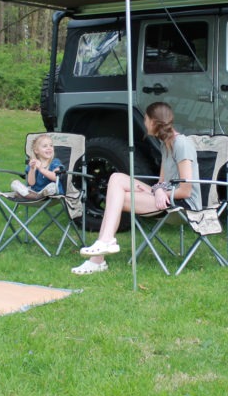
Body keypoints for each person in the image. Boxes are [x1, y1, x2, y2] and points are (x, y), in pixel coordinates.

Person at [72, 102, 200, 275]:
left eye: (146, 119)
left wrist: (162, 192)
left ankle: (98, 258)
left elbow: (186, 190)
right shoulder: (166, 144)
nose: (145, 123)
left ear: (154, 122)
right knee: (116, 178)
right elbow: (162, 182)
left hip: (182, 204)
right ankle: (105, 243)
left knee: (119, 198)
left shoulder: (181, 144)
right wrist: (159, 190)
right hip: (165, 196)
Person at [10, 134, 63, 198]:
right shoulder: (34, 163)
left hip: (49, 193)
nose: (49, 148)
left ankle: (26, 196)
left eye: (51, 145)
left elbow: (55, 177)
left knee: (53, 186)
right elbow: (31, 183)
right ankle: (34, 196)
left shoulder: (55, 162)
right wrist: (32, 169)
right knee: (15, 183)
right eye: (45, 146)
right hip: (35, 192)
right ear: (36, 150)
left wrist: (41, 169)